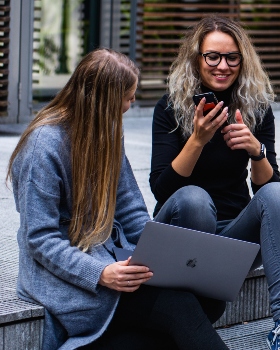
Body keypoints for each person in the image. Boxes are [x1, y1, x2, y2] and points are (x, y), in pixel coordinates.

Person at [8, 49, 229, 350]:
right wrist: (100, 273)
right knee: (178, 307)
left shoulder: (107, 130)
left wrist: (157, 256)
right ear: (105, 100)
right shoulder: (42, 148)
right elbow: (41, 239)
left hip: (112, 257)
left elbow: (130, 208)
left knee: (209, 301)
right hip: (68, 277)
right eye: (128, 97)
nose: (131, 103)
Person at [150, 15, 280, 350]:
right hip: (181, 233)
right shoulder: (171, 108)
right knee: (194, 199)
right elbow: (161, 190)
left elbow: (267, 192)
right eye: (212, 57)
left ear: (242, 60)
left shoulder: (256, 108)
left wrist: (256, 151)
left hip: (232, 236)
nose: (222, 65)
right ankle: (190, 309)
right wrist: (197, 140)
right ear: (197, 59)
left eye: (232, 57)